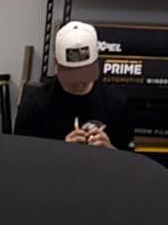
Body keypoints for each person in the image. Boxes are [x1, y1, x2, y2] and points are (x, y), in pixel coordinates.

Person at [14, 21, 133, 149]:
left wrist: (111, 151)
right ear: (56, 64)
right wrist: (63, 153)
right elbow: (21, 161)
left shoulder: (116, 102)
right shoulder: (34, 106)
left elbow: (131, 162)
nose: (79, 81)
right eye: (72, 74)